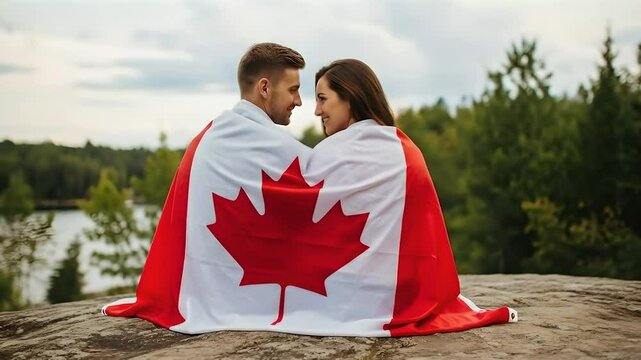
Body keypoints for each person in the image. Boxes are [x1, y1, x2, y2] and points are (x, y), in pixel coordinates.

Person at [101, 43, 313, 332]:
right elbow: (321, 181)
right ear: (265, 88)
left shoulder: (214, 135)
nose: (299, 101)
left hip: (218, 284)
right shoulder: (260, 142)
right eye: (293, 90)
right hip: (236, 292)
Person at [304, 59, 517, 336]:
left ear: (350, 97)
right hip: (400, 290)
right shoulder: (404, 149)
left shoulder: (329, 153)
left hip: (348, 292)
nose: (317, 110)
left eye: (322, 99)